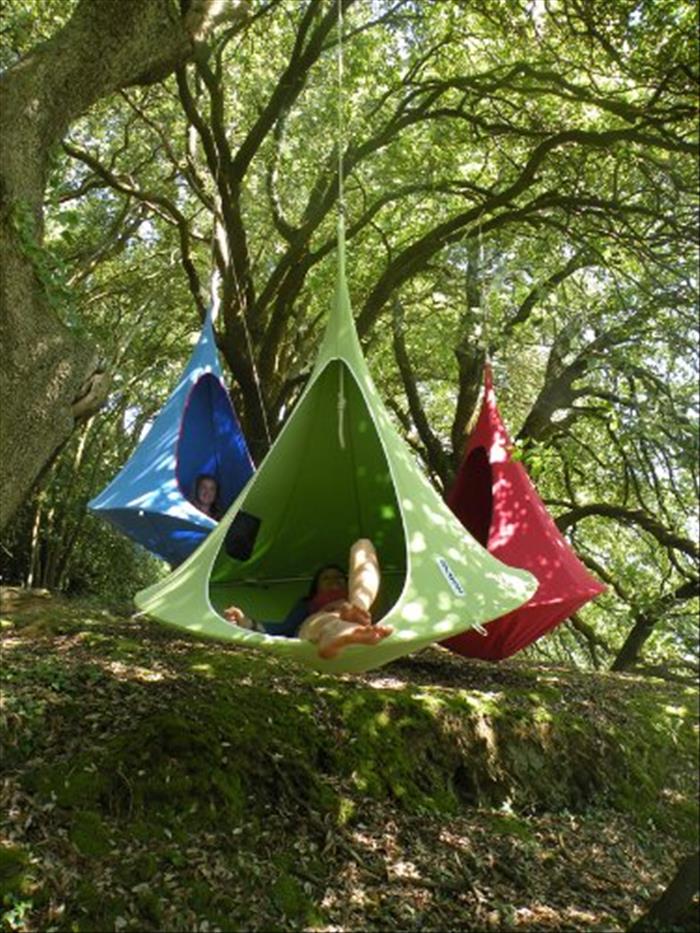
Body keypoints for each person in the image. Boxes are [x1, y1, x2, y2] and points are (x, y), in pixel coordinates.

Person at [223, 538, 393, 660]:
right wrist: (246, 622)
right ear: (316, 588)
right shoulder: (308, 604)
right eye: (327, 578)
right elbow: (285, 628)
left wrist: (352, 605)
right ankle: (335, 629)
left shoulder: (357, 590)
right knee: (323, 618)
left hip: (361, 606)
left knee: (363, 544)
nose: (334, 581)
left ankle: (355, 612)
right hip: (318, 623)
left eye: (340, 578)